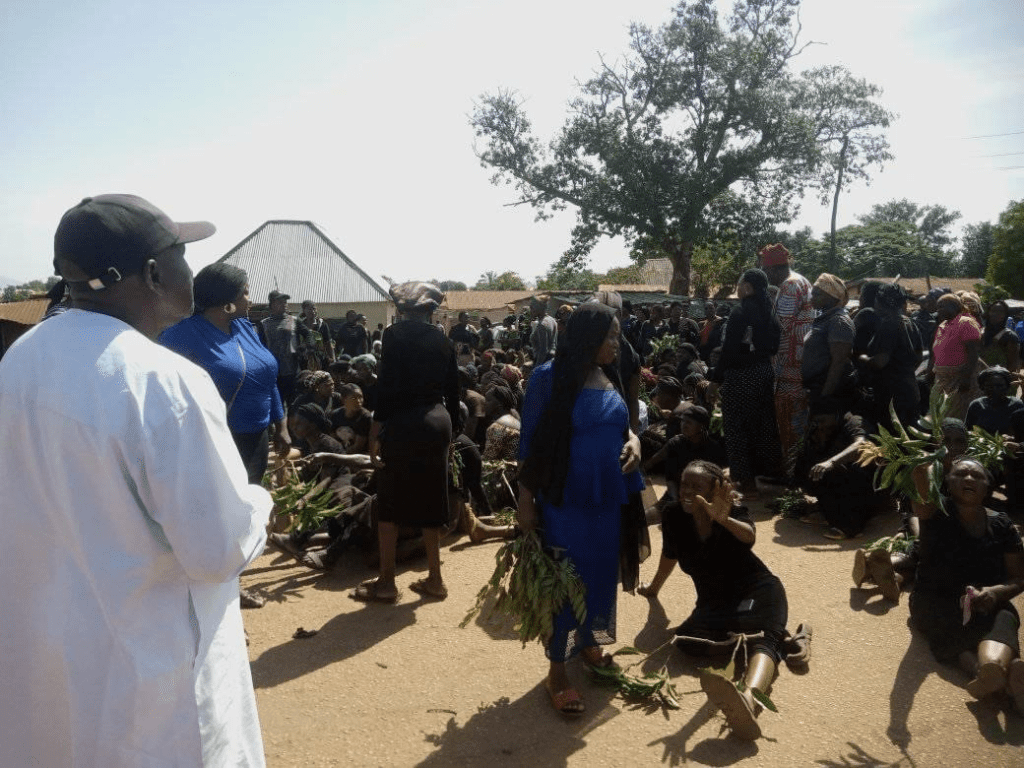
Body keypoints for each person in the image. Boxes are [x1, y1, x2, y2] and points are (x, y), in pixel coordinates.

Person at [0, 194, 272, 767]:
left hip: (51, 669)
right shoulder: (163, 381)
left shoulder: (20, 360)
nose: (191, 270)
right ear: (152, 273)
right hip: (152, 690)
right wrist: (259, 502)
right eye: (181, 255)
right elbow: (217, 550)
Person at [517, 302, 643, 715]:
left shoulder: (608, 374)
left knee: (600, 574)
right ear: (588, 338)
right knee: (566, 581)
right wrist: (525, 501)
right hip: (566, 501)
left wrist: (635, 442)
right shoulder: (547, 378)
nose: (616, 343)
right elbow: (529, 445)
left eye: (617, 335)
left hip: (608, 498)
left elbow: (624, 425)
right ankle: (557, 669)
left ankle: (589, 643)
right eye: (610, 336)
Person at [639, 461, 794, 740]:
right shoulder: (673, 514)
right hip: (715, 605)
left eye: (696, 486)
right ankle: (761, 638)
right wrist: (653, 588)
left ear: (715, 490)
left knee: (765, 641)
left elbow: (749, 536)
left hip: (756, 594)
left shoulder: (730, 510)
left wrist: (724, 520)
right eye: (684, 484)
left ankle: (749, 699)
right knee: (686, 642)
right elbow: (670, 554)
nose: (687, 491)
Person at [358, 282, 460, 603]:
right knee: (432, 501)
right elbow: (453, 391)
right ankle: (435, 580)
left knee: (389, 503)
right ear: (430, 310)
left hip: (404, 423)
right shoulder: (444, 339)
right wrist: (453, 434)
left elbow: (387, 387)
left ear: (402, 309)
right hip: (438, 421)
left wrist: (375, 431)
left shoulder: (394, 335)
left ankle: (387, 583)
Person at [908, 457, 1024, 713]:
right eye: (961, 474)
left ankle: (992, 676)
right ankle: (1001, 680)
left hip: (986, 603)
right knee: (951, 625)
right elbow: (921, 483)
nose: (969, 478)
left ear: (988, 487)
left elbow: (1019, 578)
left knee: (1004, 615)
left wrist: (995, 592)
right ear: (948, 482)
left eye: (977, 476)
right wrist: (926, 464)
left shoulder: (1002, 525)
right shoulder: (934, 513)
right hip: (935, 601)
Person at [160, 262, 291, 484]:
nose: (250, 300)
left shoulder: (245, 328)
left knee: (251, 495)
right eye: (245, 293)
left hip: (257, 439)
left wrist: (281, 425)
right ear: (226, 301)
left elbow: (267, 379)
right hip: (214, 443)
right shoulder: (181, 334)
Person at [709, 268, 783, 499]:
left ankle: (745, 482)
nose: (737, 289)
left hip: (741, 376)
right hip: (764, 373)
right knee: (762, 427)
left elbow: (729, 350)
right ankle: (766, 476)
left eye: (739, 284)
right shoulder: (769, 311)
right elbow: (775, 345)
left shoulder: (740, 312)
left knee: (737, 429)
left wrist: (715, 381)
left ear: (748, 287)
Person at [762, 243, 814, 474]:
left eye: (765, 270)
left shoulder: (790, 285)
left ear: (773, 269)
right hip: (798, 363)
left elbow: (780, 324)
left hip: (790, 366)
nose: (765, 275)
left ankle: (791, 472)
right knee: (797, 421)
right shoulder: (800, 280)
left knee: (789, 422)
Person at [860, 284, 922, 431]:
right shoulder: (910, 323)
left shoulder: (889, 325)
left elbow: (880, 362)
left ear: (881, 302)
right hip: (910, 391)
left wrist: (862, 358)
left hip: (891, 397)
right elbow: (918, 358)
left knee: (893, 438)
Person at [802, 273, 856, 412]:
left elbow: (838, 363)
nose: (811, 298)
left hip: (828, 394)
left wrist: (824, 397)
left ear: (832, 297)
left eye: (817, 294)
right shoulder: (825, 319)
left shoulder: (838, 321)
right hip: (815, 388)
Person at [928, 293, 983, 420]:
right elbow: (936, 352)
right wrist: (930, 371)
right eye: (938, 307)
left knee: (957, 414)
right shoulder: (943, 325)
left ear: (956, 306)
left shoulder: (966, 322)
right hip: (943, 379)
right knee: (942, 414)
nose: (939, 310)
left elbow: (973, 353)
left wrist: (966, 378)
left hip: (959, 379)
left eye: (943, 306)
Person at [259, 289, 312, 407]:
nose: (284, 304)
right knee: (277, 407)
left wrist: (304, 348)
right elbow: (259, 347)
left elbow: (309, 336)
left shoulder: (294, 321)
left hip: (293, 371)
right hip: (273, 373)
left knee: (295, 406)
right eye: (280, 302)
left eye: (285, 302)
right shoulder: (264, 324)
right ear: (272, 305)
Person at [980, 300, 1021, 373]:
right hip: (981, 376)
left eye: (1000, 312)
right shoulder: (982, 333)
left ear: (1005, 315)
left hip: (1000, 377)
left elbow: (1013, 365)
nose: (995, 314)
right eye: (993, 311)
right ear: (988, 313)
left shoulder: (1009, 336)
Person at [300, 300, 336, 367]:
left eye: (314, 309)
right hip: (305, 360)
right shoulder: (300, 326)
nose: (312, 311)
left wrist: (332, 359)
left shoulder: (322, 325)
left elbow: (328, 343)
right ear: (304, 310)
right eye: (309, 309)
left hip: (321, 360)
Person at [529, 295, 558, 366]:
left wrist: (537, 368)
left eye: (532, 307)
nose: (530, 310)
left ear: (539, 308)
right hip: (552, 361)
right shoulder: (552, 320)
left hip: (543, 362)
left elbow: (543, 351)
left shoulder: (542, 325)